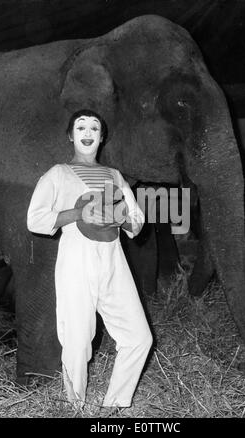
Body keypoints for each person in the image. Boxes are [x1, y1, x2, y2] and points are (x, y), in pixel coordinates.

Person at [27, 109, 153, 409]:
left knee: (139, 337)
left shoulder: (114, 176)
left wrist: (121, 218)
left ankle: (114, 405)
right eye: (80, 127)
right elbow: (35, 219)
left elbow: (136, 222)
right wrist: (77, 213)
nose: (88, 132)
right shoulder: (58, 173)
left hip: (113, 260)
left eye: (94, 128)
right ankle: (75, 407)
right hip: (76, 260)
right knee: (77, 340)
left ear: (102, 136)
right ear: (71, 135)